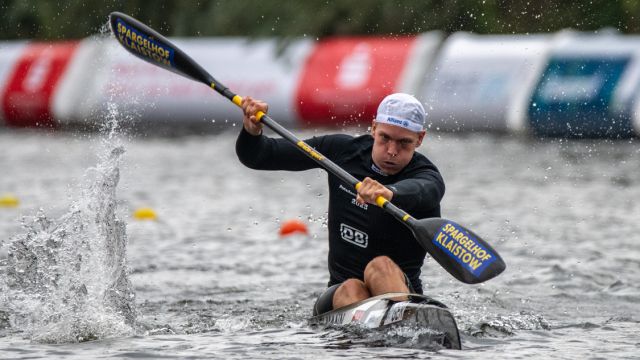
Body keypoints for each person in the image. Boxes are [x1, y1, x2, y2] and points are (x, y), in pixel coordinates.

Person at [236, 93, 445, 315]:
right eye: (385, 138)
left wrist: (390, 193)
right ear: (374, 128)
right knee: (352, 286)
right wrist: (252, 131)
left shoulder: (425, 176)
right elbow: (259, 156)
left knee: (380, 266)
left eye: (404, 142)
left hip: (402, 292)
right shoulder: (342, 152)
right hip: (339, 295)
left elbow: (426, 190)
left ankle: (400, 321)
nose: (392, 151)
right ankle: (375, 332)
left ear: (420, 139)